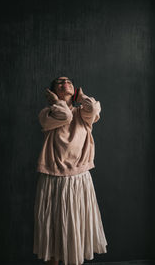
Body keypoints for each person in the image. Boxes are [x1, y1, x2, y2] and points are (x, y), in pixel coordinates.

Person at [33, 76, 108, 265]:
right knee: (53, 233)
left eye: (68, 81)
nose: (65, 83)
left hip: (79, 181)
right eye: (59, 82)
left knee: (75, 233)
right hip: (54, 180)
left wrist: (81, 97)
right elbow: (64, 116)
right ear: (52, 92)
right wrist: (57, 102)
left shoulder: (83, 114)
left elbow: (94, 108)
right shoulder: (47, 113)